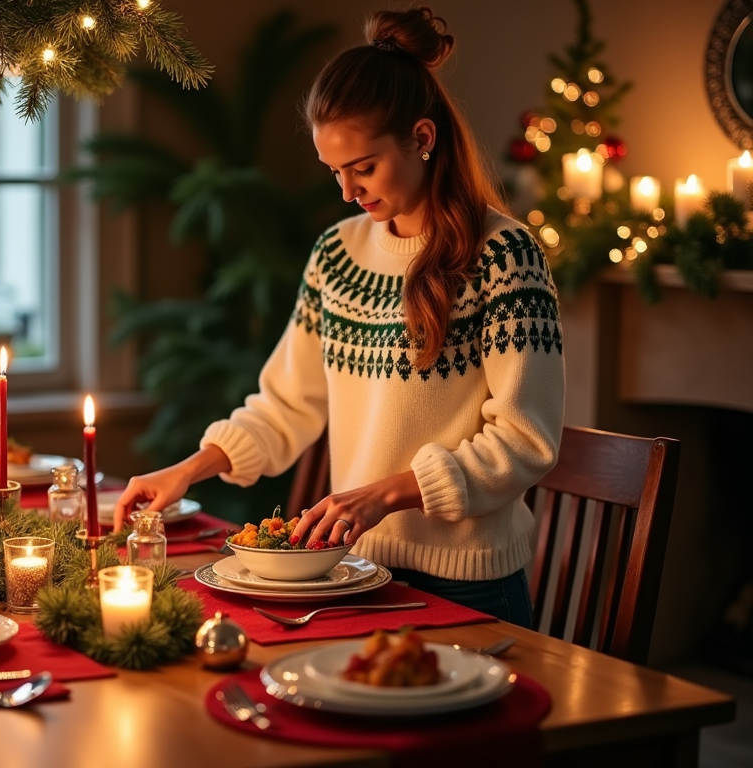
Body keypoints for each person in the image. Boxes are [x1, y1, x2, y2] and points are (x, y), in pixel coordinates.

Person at [113, 4, 565, 628]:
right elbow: (285, 404)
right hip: (354, 575)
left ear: (423, 139)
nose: (348, 192)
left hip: (470, 589)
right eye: (336, 172)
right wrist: (187, 471)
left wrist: (388, 492)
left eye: (364, 168)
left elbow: (525, 440)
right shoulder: (338, 253)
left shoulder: (504, 255)